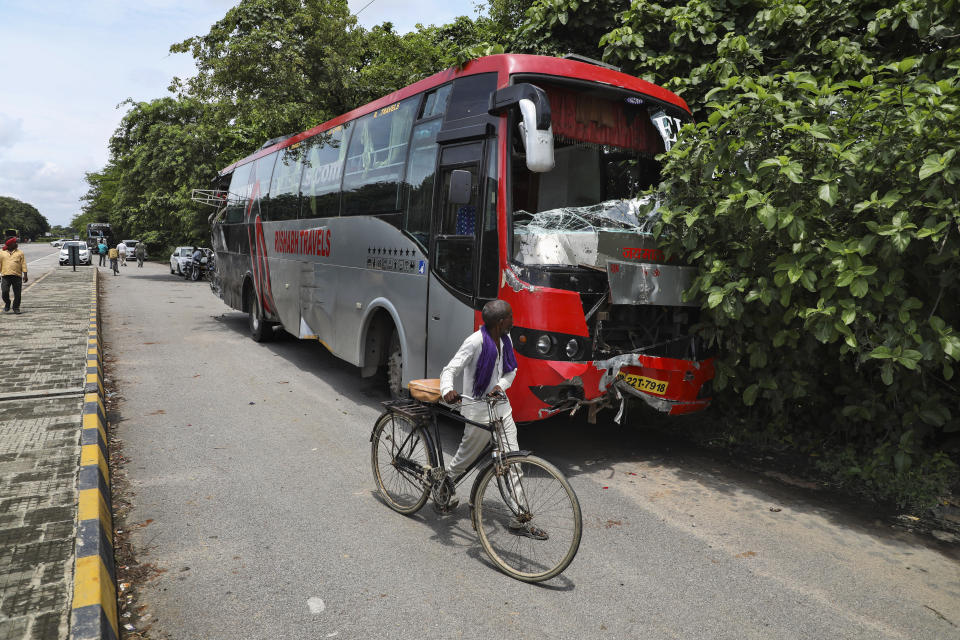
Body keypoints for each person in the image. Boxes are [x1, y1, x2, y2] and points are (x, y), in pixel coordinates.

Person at [439, 299, 548, 539]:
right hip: (477, 411)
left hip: (501, 410)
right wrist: (447, 389)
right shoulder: (475, 342)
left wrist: (500, 386)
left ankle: (520, 517)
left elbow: (511, 370)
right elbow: (450, 369)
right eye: (510, 316)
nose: (513, 319)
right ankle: (443, 483)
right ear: (500, 322)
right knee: (463, 462)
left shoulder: (505, 339)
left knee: (514, 464)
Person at [0, 237, 28, 314]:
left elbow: (23, 264)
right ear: (9, 244)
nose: (16, 244)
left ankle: (16, 308)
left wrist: (25, 274)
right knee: (4, 292)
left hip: (17, 276)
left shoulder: (20, 253)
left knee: (17, 293)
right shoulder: (2, 252)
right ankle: (7, 303)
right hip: (5, 276)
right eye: (14, 243)